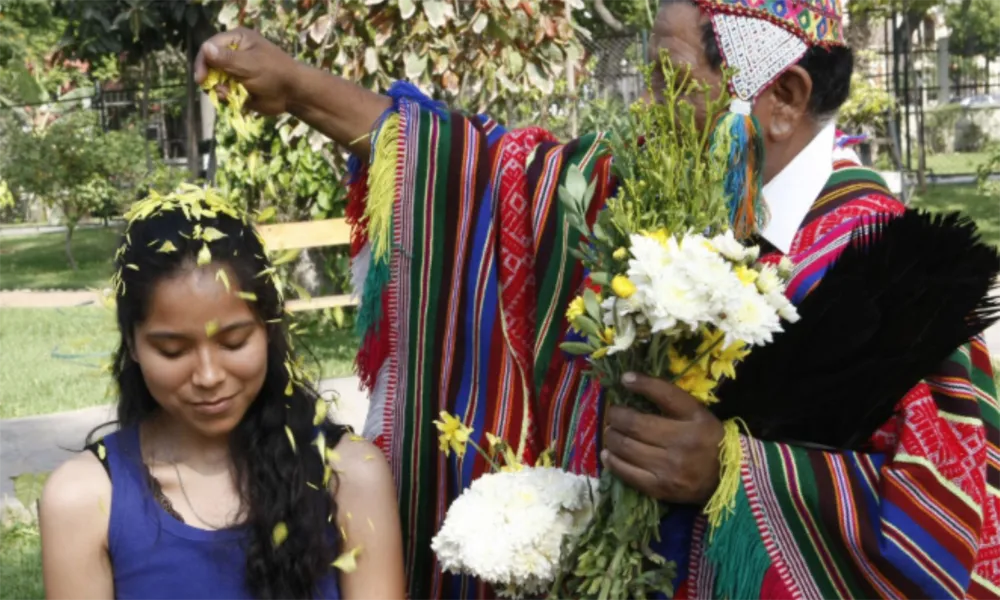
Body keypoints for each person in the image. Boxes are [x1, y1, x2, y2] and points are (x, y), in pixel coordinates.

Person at [193, 0, 1000, 596]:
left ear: (782, 99)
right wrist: (297, 86)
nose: (642, 110)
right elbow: (480, 169)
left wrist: (731, 466)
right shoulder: (652, 191)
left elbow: (944, 518)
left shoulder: (894, 271)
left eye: (664, 77)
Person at [39, 190, 406, 600]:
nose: (209, 376)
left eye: (233, 343)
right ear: (132, 343)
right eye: (173, 350)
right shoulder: (83, 500)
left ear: (268, 327)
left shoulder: (350, 475)